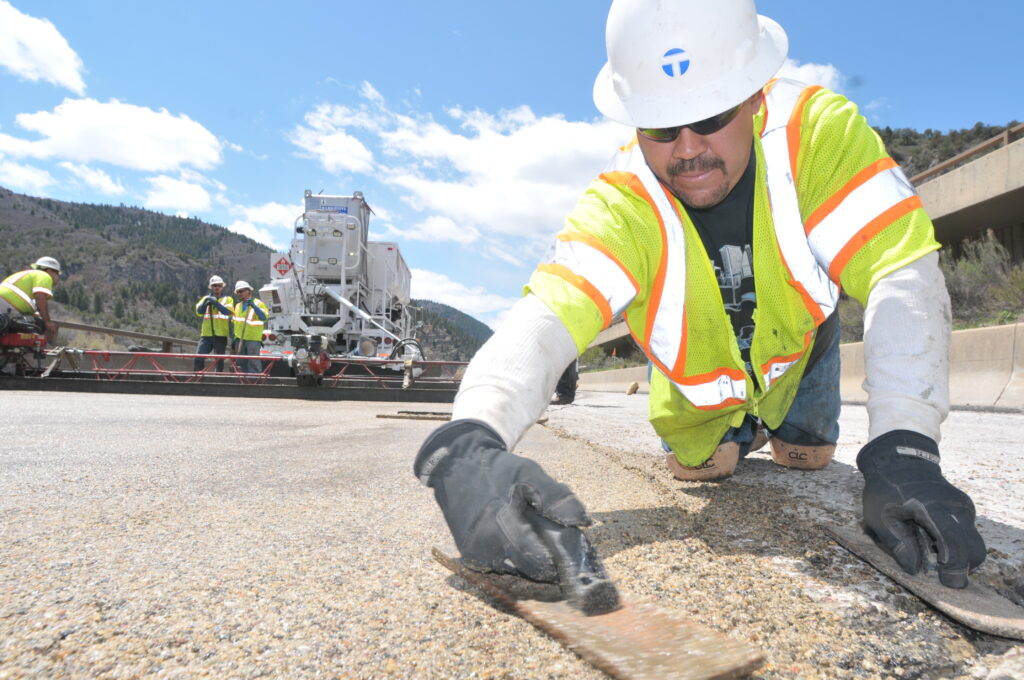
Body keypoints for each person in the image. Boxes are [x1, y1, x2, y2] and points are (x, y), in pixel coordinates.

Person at [414, 0, 986, 591]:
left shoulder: (816, 136)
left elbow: (901, 271)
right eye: (661, 127)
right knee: (702, 471)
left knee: (807, 461)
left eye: (710, 116)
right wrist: (470, 446)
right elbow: (547, 317)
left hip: (797, 358)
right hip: (699, 388)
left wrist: (906, 445)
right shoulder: (623, 200)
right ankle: (735, 429)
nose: (687, 150)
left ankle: (776, 425)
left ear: (755, 96)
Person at [0, 256, 61, 341]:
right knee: (34, 327)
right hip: (6, 304)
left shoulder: (27, 274)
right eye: (57, 273)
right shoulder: (44, 275)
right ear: (50, 270)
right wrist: (47, 321)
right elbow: (40, 298)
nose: (58, 277)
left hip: (5, 305)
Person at [194, 275, 234, 371]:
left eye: (219, 285)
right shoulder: (205, 298)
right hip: (206, 335)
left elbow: (228, 312)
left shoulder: (228, 299)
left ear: (222, 287)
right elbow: (199, 312)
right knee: (198, 358)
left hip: (221, 335)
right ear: (211, 287)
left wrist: (216, 303)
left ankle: (218, 377)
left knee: (219, 361)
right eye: (214, 285)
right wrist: (205, 303)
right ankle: (198, 376)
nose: (217, 287)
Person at [231, 281, 269, 374]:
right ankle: (242, 380)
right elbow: (235, 323)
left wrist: (254, 306)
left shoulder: (258, 303)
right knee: (240, 363)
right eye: (237, 292)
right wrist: (234, 338)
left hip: (253, 339)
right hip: (240, 339)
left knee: (253, 363)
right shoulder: (238, 306)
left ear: (248, 291)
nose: (239, 294)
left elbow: (264, 317)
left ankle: (254, 380)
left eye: (241, 291)